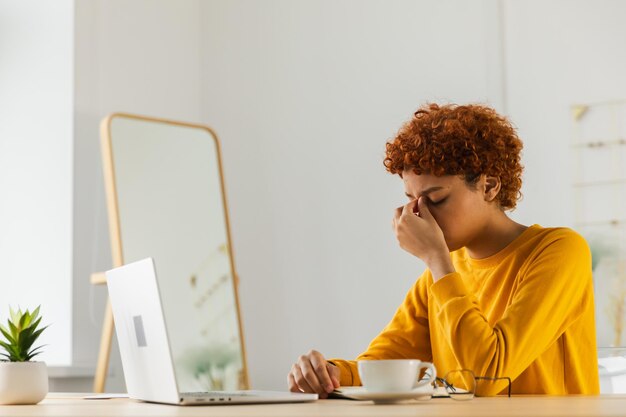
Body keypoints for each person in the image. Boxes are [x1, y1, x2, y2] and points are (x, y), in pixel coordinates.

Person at [287, 103, 599, 397]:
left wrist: (437, 259)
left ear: (490, 186)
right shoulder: (439, 279)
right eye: (411, 198)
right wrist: (329, 373)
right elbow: (384, 365)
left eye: (435, 199)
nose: (418, 213)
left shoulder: (559, 251)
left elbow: (487, 376)